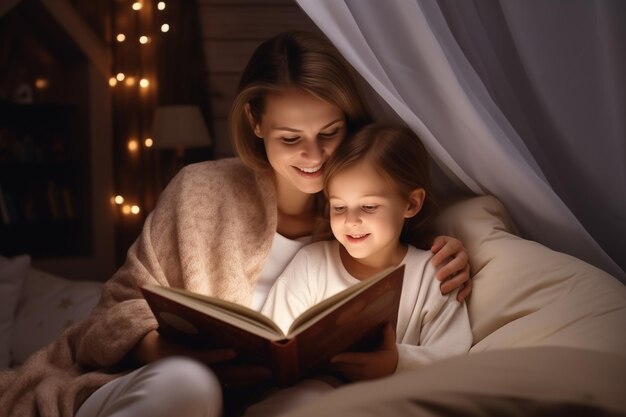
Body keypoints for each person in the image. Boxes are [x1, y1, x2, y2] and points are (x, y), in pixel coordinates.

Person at [0, 30, 471, 417]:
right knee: (190, 384)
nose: (314, 156)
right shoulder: (200, 190)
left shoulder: (358, 215)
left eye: (330, 133)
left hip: (288, 401)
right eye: (291, 138)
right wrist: (159, 350)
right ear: (255, 123)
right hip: (160, 385)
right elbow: (112, 313)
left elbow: (396, 236)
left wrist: (444, 246)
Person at [243, 124, 472, 416]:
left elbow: (454, 357)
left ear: (411, 203)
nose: (351, 221)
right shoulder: (312, 263)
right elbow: (275, 338)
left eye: (368, 207)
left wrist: (395, 363)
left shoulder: (433, 274)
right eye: (339, 208)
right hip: (307, 399)